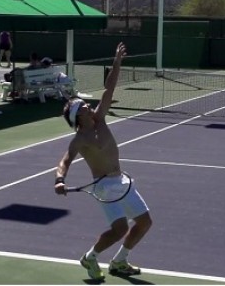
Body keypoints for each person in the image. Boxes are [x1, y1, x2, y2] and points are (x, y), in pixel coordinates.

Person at [54, 42, 152, 281]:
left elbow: (109, 90)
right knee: (119, 229)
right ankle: (90, 256)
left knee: (144, 222)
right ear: (79, 116)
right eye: (85, 106)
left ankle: (119, 261)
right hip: (105, 187)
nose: (90, 106)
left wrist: (117, 63)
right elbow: (65, 160)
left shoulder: (100, 120)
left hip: (122, 180)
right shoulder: (80, 139)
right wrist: (59, 179)